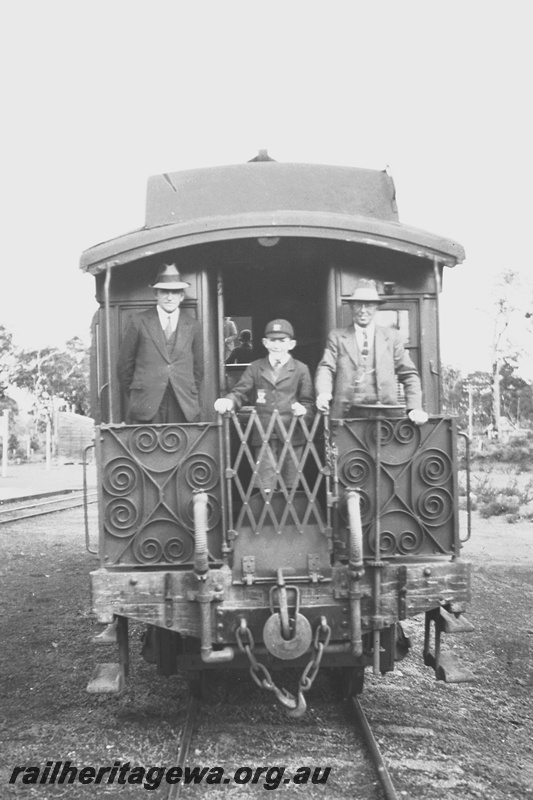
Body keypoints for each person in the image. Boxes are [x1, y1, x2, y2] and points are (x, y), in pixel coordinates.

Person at [214, 319, 315, 492]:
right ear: (264, 343)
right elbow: (240, 392)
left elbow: (308, 401)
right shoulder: (255, 368)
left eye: (282, 341)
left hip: (292, 434)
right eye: (272, 340)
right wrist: (228, 400)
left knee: (290, 488)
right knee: (265, 488)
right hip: (264, 434)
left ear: (292, 344)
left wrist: (303, 411)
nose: (277, 345)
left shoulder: (300, 369)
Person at [315, 279, 428, 424]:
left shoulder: (392, 337)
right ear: (351, 307)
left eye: (368, 305)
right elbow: (326, 367)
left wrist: (414, 408)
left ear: (376, 308)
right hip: (346, 417)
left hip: (386, 416)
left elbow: (409, 374)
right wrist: (323, 393)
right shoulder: (337, 337)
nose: (363, 310)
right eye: (358, 305)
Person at [117, 263, 203, 424]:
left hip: (183, 405)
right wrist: (141, 392)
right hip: (146, 407)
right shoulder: (138, 321)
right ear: (156, 294)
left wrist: (183, 388)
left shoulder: (193, 326)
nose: (169, 297)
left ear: (182, 296)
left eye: (175, 292)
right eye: (164, 291)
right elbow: (124, 367)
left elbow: (198, 369)